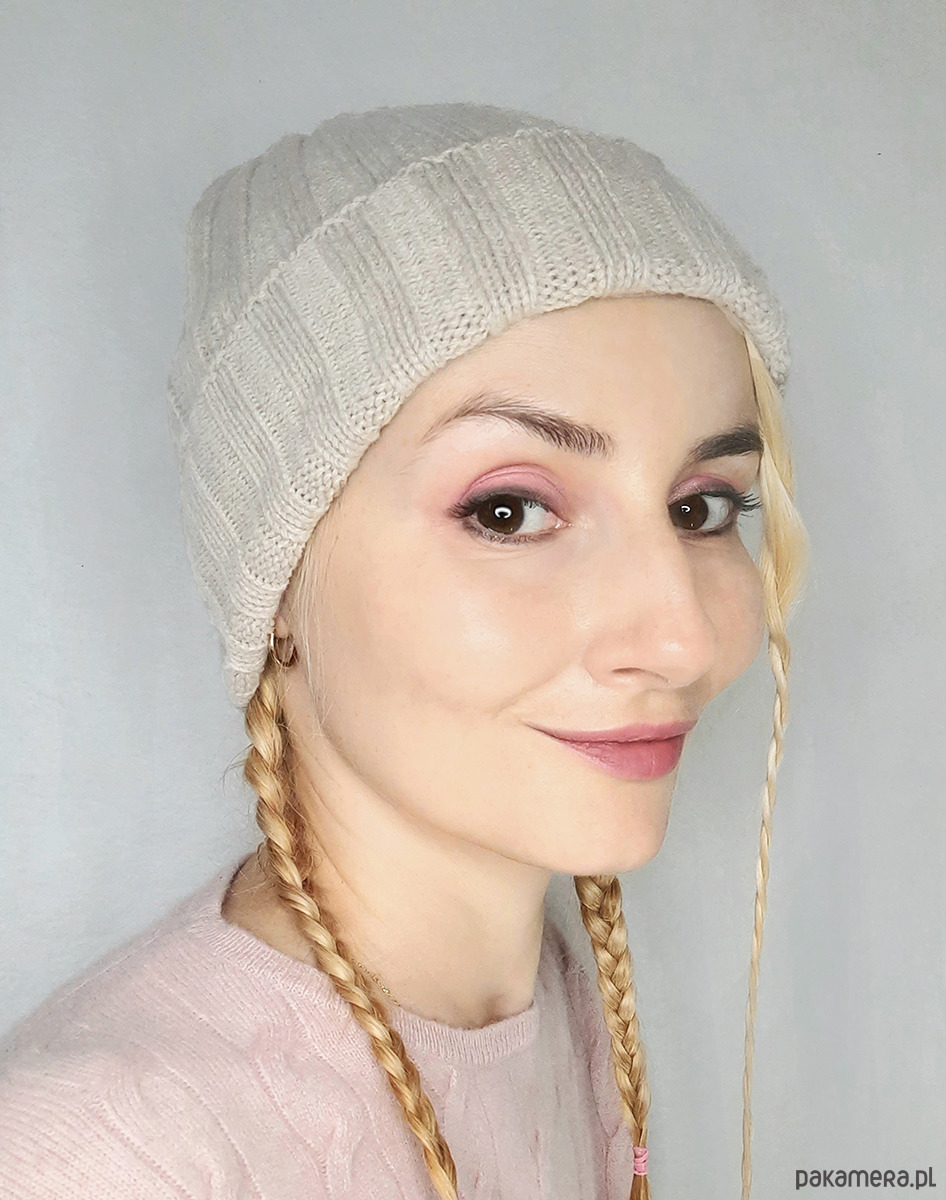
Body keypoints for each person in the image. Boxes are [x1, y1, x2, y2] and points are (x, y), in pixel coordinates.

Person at [0, 103, 808, 1200]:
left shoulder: (555, 1002)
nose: (682, 637)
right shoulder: (105, 1159)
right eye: (510, 512)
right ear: (277, 583)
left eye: (704, 507)